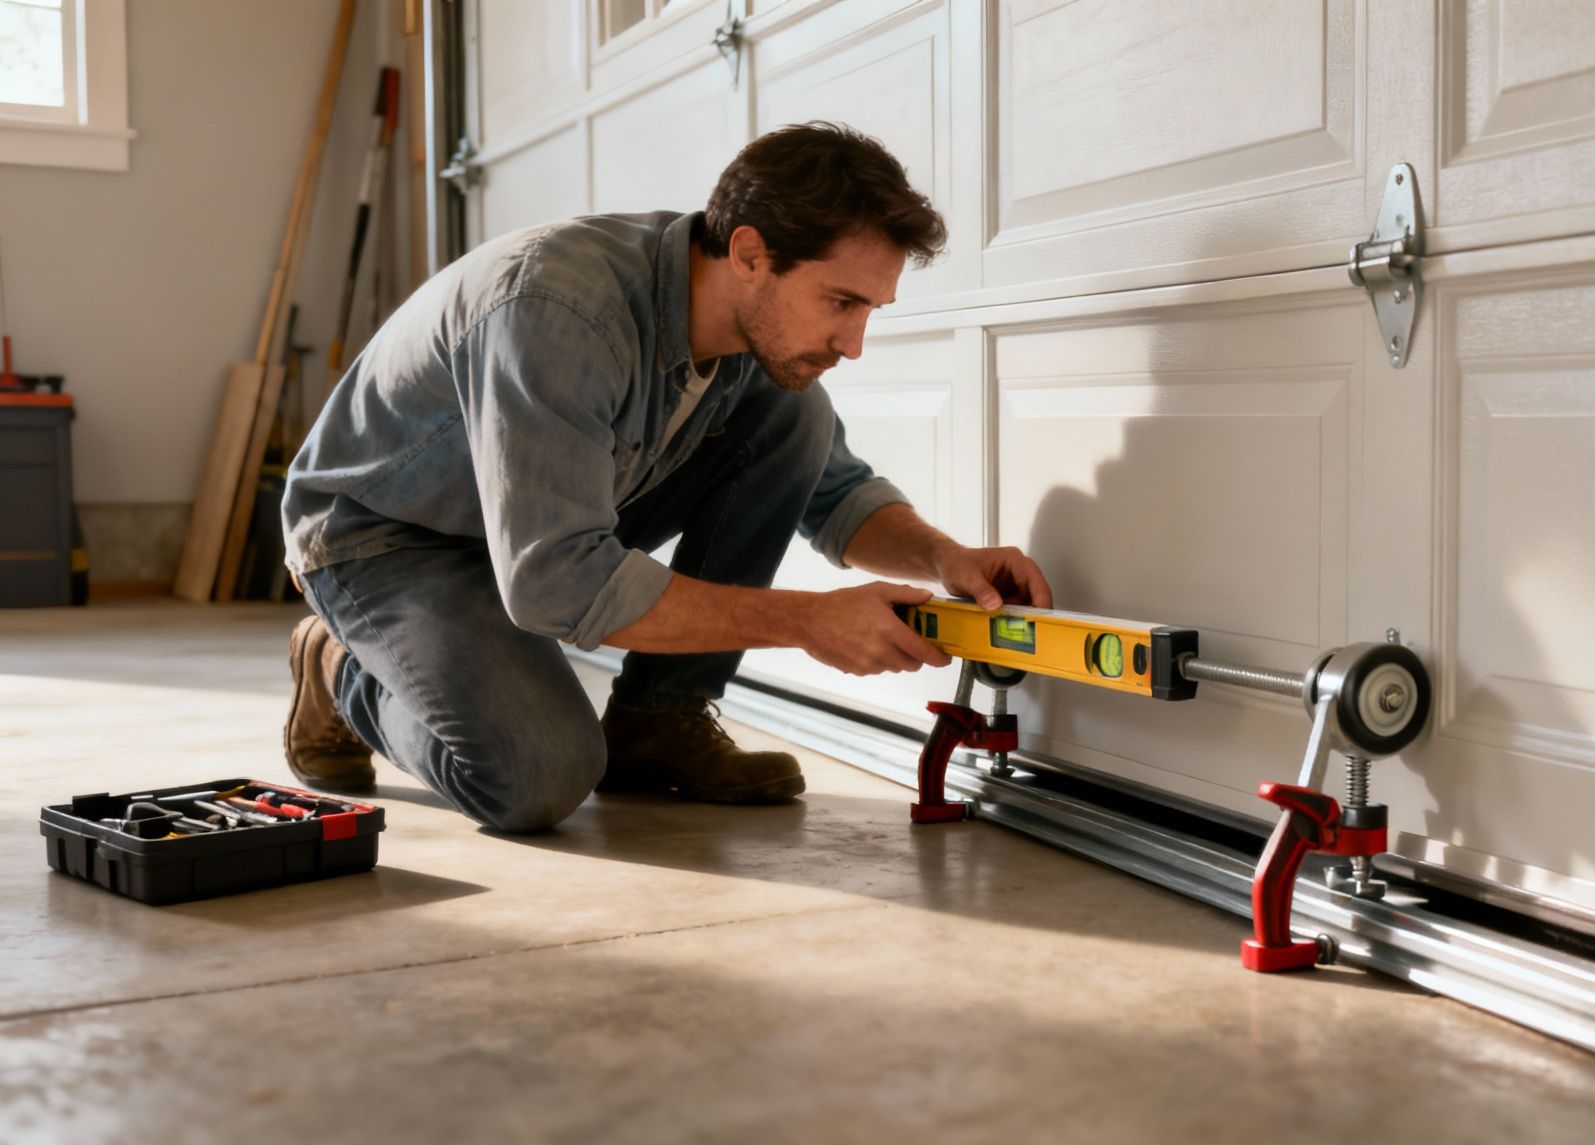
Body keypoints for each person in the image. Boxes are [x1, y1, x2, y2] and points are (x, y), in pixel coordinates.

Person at [280, 122, 1053, 833]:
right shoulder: (559, 311)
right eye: (842, 302)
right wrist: (808, 622)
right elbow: (556, 584)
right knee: (534, 780)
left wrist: (945, 559)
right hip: (387, 538)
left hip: (522, 533)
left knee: (796, 420)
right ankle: (342, 671)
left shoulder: (749, 340)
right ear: (749, 253)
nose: (854, 343)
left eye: (870, 309)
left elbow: (837, 496)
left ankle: (661, 718)